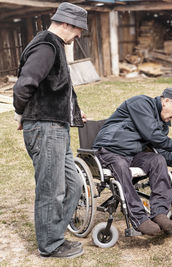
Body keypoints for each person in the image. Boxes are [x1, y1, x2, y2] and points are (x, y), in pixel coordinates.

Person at [13, 2, 88, 258]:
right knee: (51, 189)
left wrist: (73, 114)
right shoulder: (46, 45)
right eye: (78, 29)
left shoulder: (54, 46)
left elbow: (55, 88)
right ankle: (50, 244)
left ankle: (55, 234)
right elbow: (24, 85)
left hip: (57, 127)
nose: (79, 35)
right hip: (46, 129)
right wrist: (21, 113)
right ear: (66, 23)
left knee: (73, 184)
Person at [92, 88, 172, 236]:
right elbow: (151, 134)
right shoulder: (141, 103)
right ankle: (139, 219)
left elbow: (162, 151)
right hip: (109, 150)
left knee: (157, 160)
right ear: (166, 101)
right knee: (120, 165)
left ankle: (159, 213)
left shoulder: (162, 125)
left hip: (131, 155)